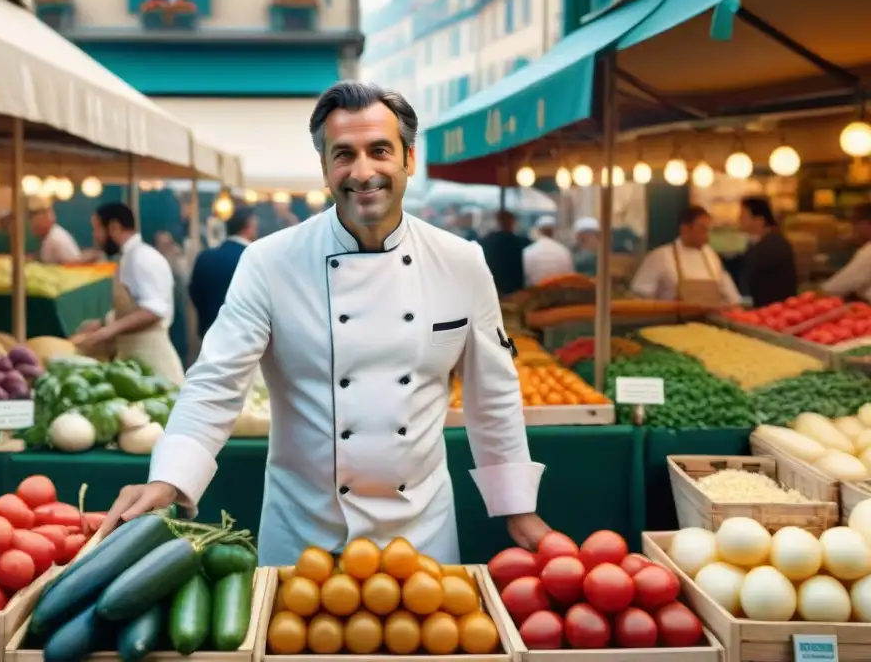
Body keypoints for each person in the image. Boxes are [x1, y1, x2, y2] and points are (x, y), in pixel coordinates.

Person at [100, 82, 549, 564]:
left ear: (408, 159)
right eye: (343, 154)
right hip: (306, 535)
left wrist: (516, 507)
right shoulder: (268, 262)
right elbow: (216, 381)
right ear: (324, 168)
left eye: (379, 150)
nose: (362, 171)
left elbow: (493, 393)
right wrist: (169, 479)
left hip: (421, 535)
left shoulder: (461, 262)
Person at [74, 202, 185, 384]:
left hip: (153, 364)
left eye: (97, 229)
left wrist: (107, 332)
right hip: (135, 365)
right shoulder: (130, 257)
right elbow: (134, 307)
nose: (95, 236)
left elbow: (153, 310)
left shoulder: (141, 258)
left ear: (114, 228)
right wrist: (103, 323)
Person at [631, 205, 742, 306]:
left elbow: (727, 289)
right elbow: (640, 295)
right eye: (702, 229)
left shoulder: (711, 255)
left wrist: (736, 306)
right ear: (685, 229)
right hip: (672, 323)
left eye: (709, 230)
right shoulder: (660, 256)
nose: (707, 236)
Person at [189, 207, 257, 339]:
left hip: (209, 331)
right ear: (248, 228)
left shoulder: (205, 257)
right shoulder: (253, 259)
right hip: (244, 336)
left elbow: (195, 294)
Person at [738, 196, 797, 308]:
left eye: (743, 215)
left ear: (759, 220)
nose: (739, 219)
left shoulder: (771, 248)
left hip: (772, 312)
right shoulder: (762, 242)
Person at [822, 202, 871, 301]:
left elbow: (835, 288)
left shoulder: (868, 252)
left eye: (854, 223)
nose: (853, 229)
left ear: (867, 223)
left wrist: (813, 293)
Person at [478, 210, 530, 297]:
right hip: (515, 293)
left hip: (490, 290)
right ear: (512, 223)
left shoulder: (483, 243)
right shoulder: (522, 242)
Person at [521, 215, 573, 286]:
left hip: (535, 292)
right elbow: (569, 276)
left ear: (539, 231)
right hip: (557, 292)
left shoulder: (528, 251)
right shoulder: (563, 251)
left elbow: (526, 276)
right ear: (555, 231)